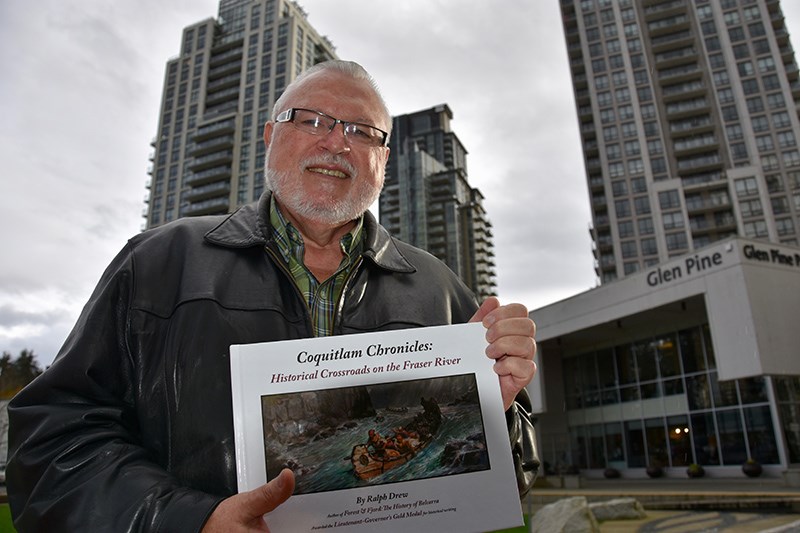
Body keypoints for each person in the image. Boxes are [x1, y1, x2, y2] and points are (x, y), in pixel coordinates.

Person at [6, 60, 539, 532]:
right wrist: (188, 520)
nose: (336, 142)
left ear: (383, 159)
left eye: (361, 131)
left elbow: (509, 481)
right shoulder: (160, 262)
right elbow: (51, 443)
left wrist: (494, 409)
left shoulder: (440, 289)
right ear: (269, 135)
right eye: (311, 121)